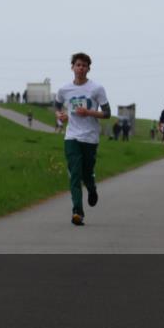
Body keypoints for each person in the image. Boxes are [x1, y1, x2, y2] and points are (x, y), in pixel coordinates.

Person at [54, 53, 110, 226]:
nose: (81, 68)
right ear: (72, 67)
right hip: (71, 136)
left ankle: (92, 189)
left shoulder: (96, 89)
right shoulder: (64, 89)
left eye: (84, 65)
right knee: (75, 174)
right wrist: (60, 116)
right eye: (78, 65)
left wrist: (89, 112)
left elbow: (107, 113)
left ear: (88, 69)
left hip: (90, 137)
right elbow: (57, 105)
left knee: (86, 173)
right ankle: (77, 211)